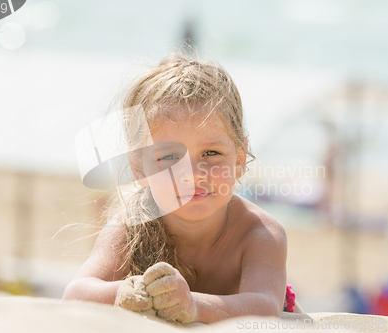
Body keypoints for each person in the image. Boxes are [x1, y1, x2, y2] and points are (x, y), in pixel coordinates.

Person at [62, 52, 299, 324]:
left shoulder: (259, 233)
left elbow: (265, 305)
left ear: (240, 160)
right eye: (170, 157)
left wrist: (193, 305)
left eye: (211, 152)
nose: (192, 175)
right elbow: (76, 292)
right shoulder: (130, 226)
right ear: (140, 169)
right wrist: (127, 292)